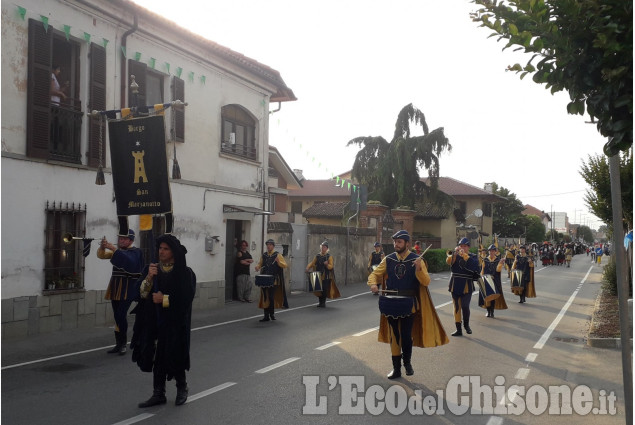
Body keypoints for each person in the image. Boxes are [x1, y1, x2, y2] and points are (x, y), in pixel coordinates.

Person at [368, 230, 449, 379]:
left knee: (405, 335)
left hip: (408, 303)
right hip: (390, 302)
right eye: (395, 242)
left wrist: (418, 268)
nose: (396, 245)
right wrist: (373, 283)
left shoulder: (418, 259)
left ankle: (407, 362)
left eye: (399, 242)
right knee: (394, 335)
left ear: (407, 243)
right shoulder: (388, 259)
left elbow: (426, 282)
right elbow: (375, 274)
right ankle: (396, 368)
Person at [132, 234, 196, 407]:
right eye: (160, 248)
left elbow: (186, 299)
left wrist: (164, 299)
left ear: (173, 252)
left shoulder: (184, 273)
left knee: (176, 354)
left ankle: (182, 387)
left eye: (166, 248)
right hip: (155, 321)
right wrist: (149, 278)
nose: (161, 251)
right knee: (157, 357)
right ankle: (158, 393)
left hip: (175, 323)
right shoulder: (151, 269)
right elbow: (141, 294)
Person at [97, 229, 144, 355]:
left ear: (131, 240)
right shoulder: (118, 252)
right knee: (117, 316)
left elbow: (131, 262)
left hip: (128, 288)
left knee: (121, 314)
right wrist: (102, 247)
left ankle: (123, 343)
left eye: (123, 239)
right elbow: (101, 256)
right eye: (120, 238)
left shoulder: (136, 252)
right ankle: (118, 344)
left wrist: (113, 248)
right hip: (116, 287)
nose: (120, 241)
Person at [447, 237, 480, 336]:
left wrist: (465, 256)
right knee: (457, 307)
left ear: (468, 247)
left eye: (464, 246)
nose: (462, 248)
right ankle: (458, 329)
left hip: (466, 283)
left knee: (465, 306)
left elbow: (475, 267)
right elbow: (449, 262)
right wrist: (454, 255)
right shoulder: (455, 255)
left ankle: (466, 325)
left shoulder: (473, 256)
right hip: (455, 283)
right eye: (461, 246)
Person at [255, 239, 288, 322]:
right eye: (267, 245)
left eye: (270, 244)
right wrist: (257, 267)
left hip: (274, 280)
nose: (268, 246)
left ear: (273, 246)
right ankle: (266, 316)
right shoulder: (264, 255)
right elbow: (260, 263)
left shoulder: (278, 255)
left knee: (271, 296)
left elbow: (285, 265)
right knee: (265, 297)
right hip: (264, 279)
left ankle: (272, 314)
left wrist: (278, 262)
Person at [305, 241, 341, 307]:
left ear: (327, 248)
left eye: (324, 247)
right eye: (322, 247)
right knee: (319, 289)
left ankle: (323, 303)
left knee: (324, 289)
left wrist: (327, 265)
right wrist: (308, 267)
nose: (322, 248)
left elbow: (331, 266)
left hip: (326, 276)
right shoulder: (318, 256)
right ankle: (320, 302)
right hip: (318, 275)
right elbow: (313, 263)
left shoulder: (329, 257)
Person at [478, 244, 508, 318]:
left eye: (493, 251)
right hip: (486, 280)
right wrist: (481, 277)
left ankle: (492, 312)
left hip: (494, 280)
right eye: (490, 251)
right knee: (487, 297)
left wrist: (500, 264)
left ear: (495, 251)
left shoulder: (497, 260)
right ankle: (488, 311)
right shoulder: (485, 260)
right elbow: (482, 270)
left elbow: (498, 270)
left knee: (493, 297)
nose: (491, 252)